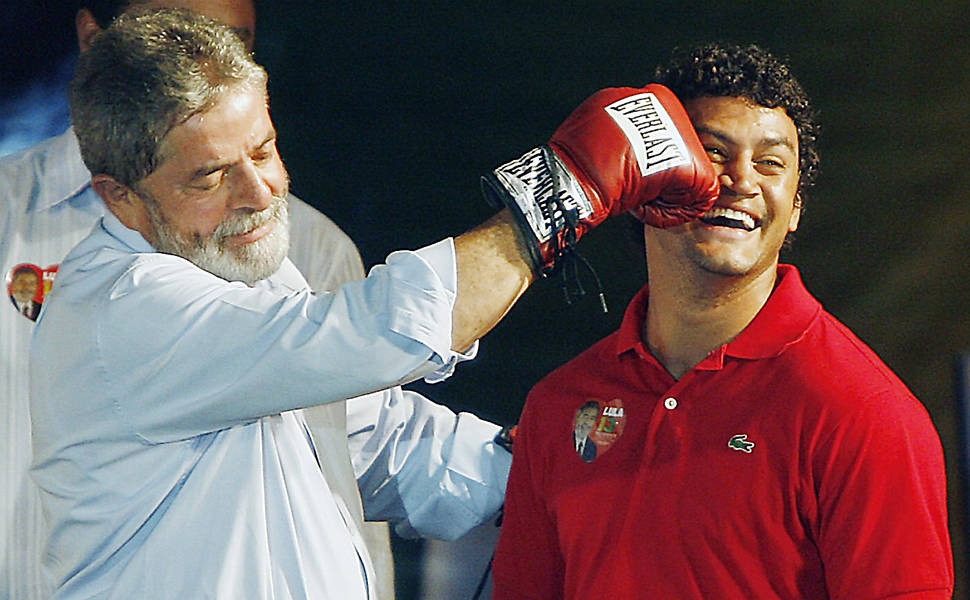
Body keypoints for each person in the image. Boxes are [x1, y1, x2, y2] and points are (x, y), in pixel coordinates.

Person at [29, 9, 718, 598]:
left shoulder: (235, 268)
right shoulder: (120, 311)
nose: (260, 193)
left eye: (263, 151)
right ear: (117, 194)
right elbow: (373, 334)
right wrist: (561, 190)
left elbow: (373, 436)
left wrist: (553, 467)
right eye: (211, 176)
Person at [492, 42, 954, 599]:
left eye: (771, 162)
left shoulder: (865, 414)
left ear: (796, 207)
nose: (742, 179)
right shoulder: (557, 406)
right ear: (640, 186)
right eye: (713, 152)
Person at [0, 2, 373, 597]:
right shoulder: (33, 230)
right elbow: (369, 337)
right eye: (171, 42)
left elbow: (354, 440)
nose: (202, 66)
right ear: (93, 39)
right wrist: (541, 213)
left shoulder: (308, 243)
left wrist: (542, 460)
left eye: (231, 43)